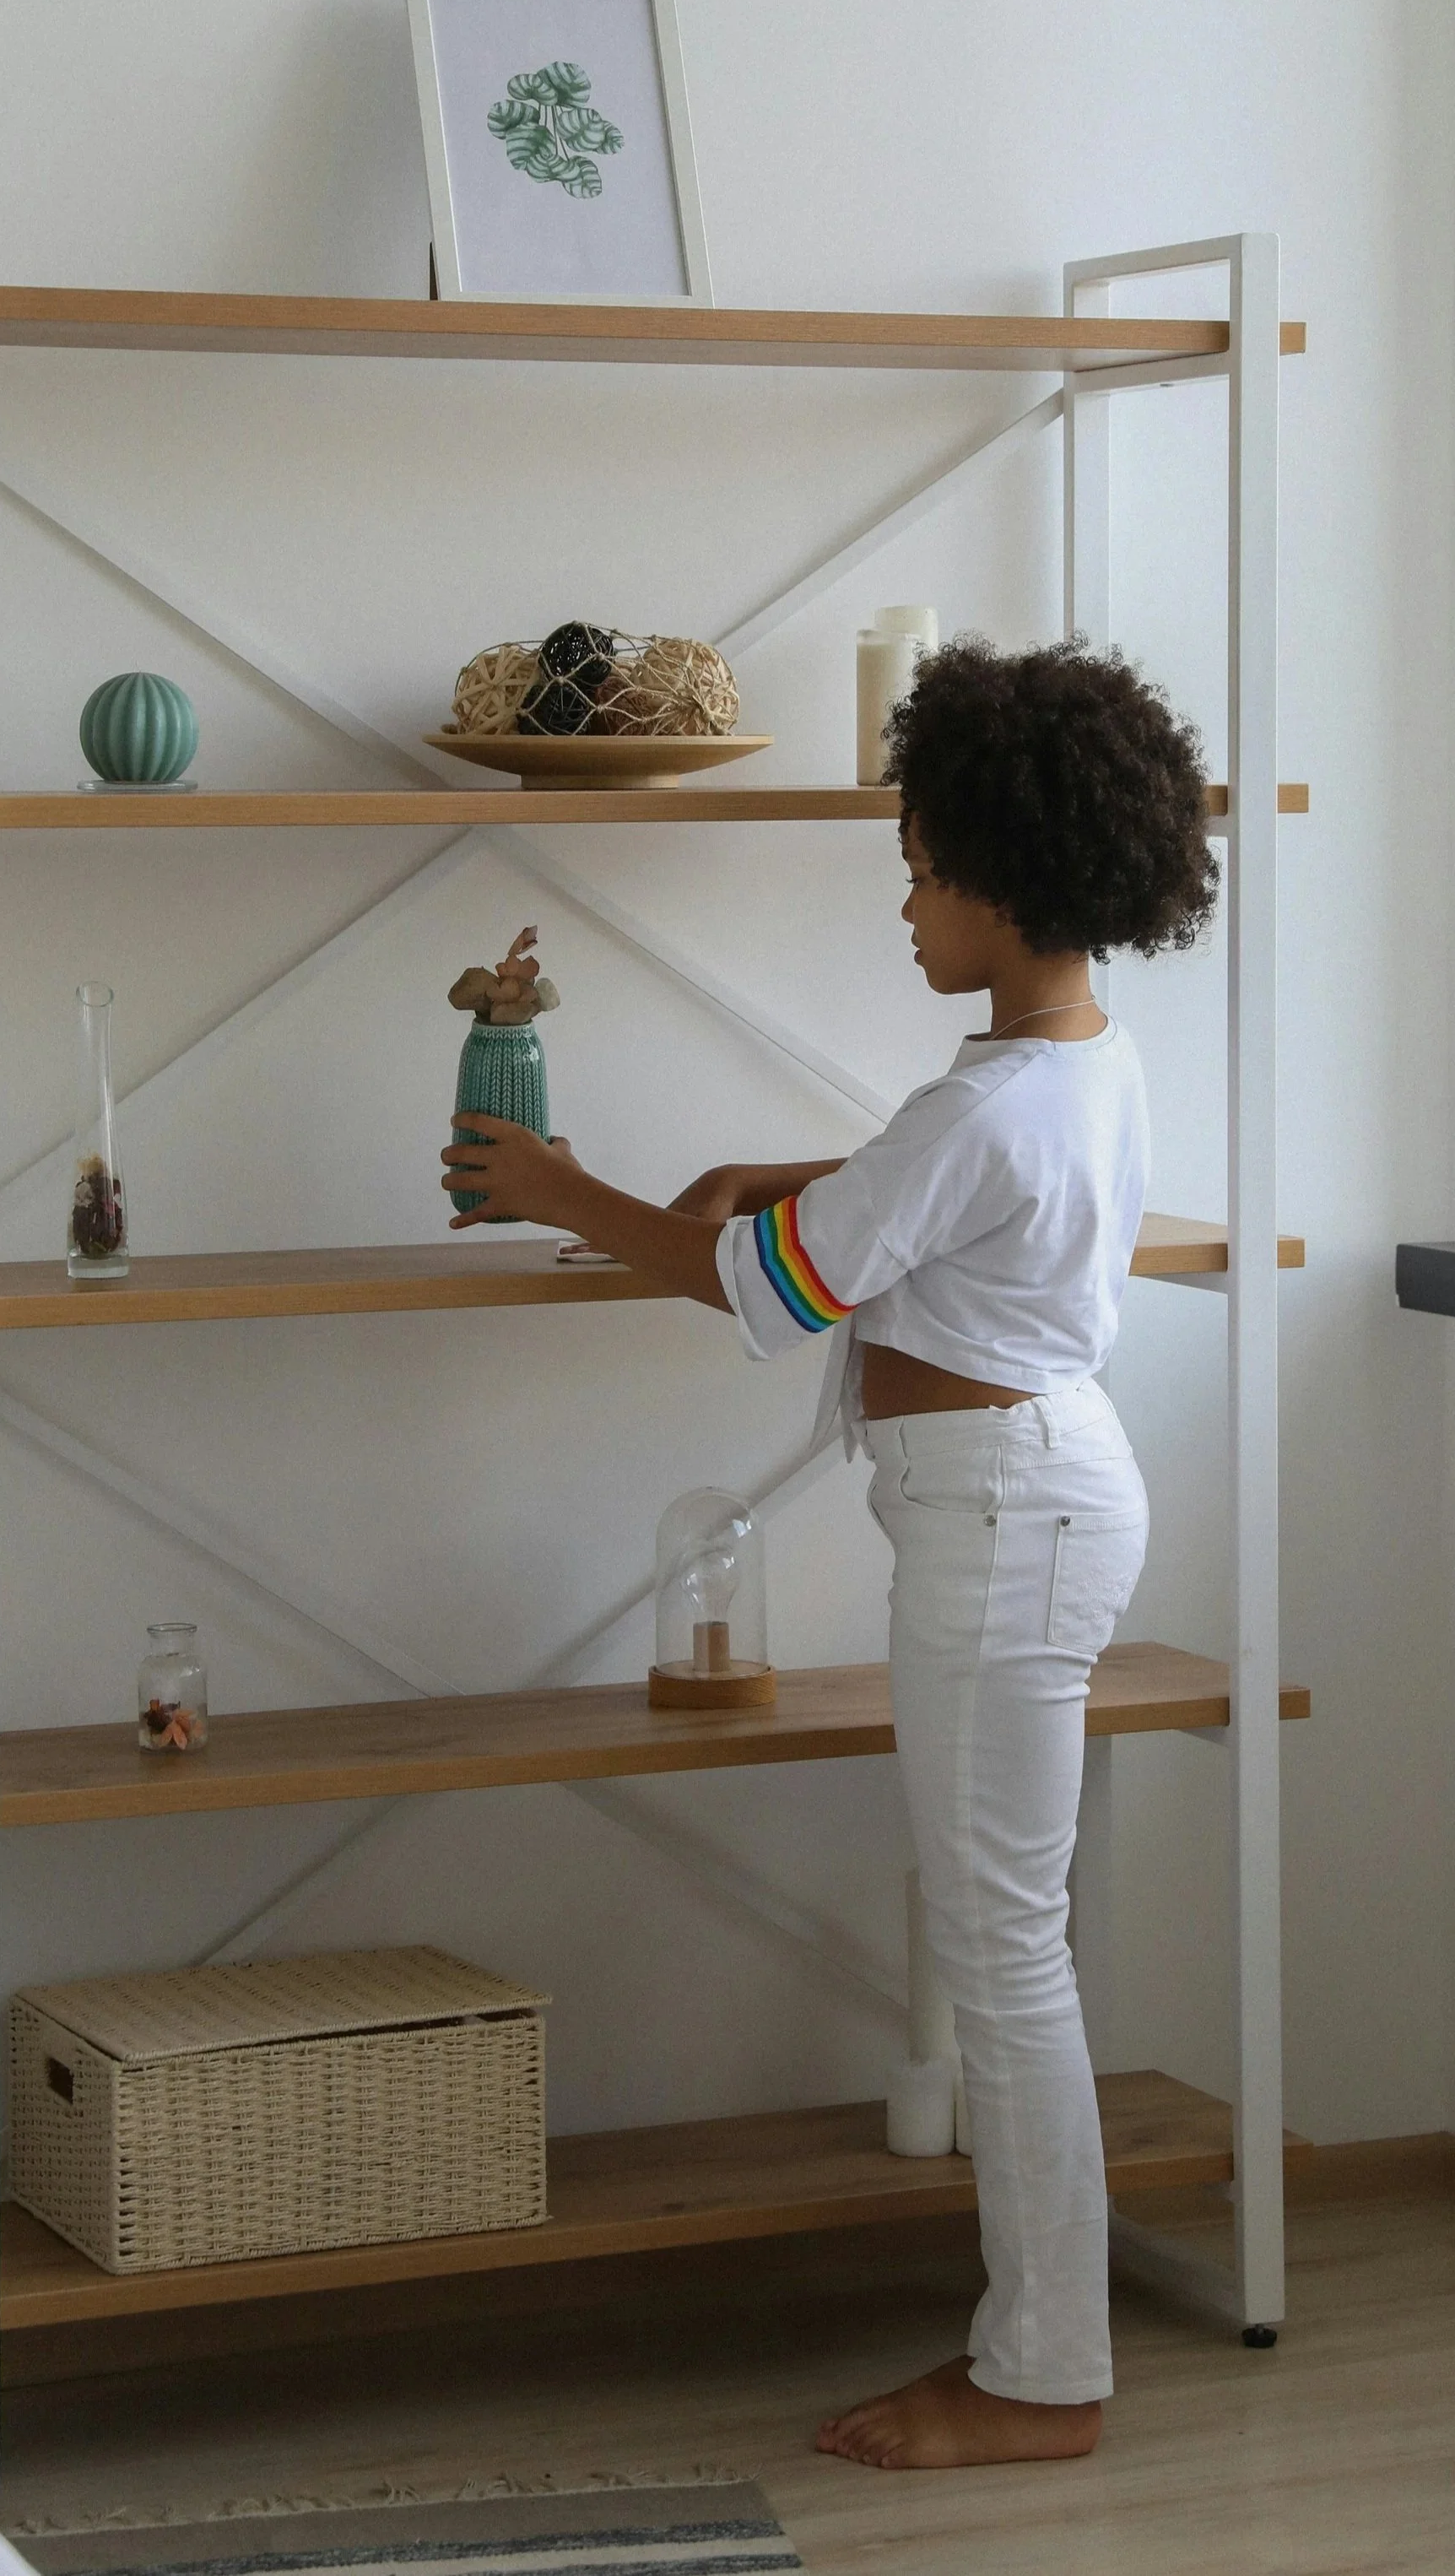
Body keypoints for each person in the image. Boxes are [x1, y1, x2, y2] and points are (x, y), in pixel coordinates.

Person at [441, 637, 1220, 2470]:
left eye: (922, 863)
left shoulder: (983, 1102)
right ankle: (1043, 2353)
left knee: (1001, 1951)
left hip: (1003, 1520)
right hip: (1034, 1494)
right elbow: (927, 1200)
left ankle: (1042, 2372)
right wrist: (776, 1169)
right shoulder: (1065, 1064)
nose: (902, 897)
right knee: (1002, 1935)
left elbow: (768, 1287)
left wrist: (569, 1189)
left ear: (1007, 874)